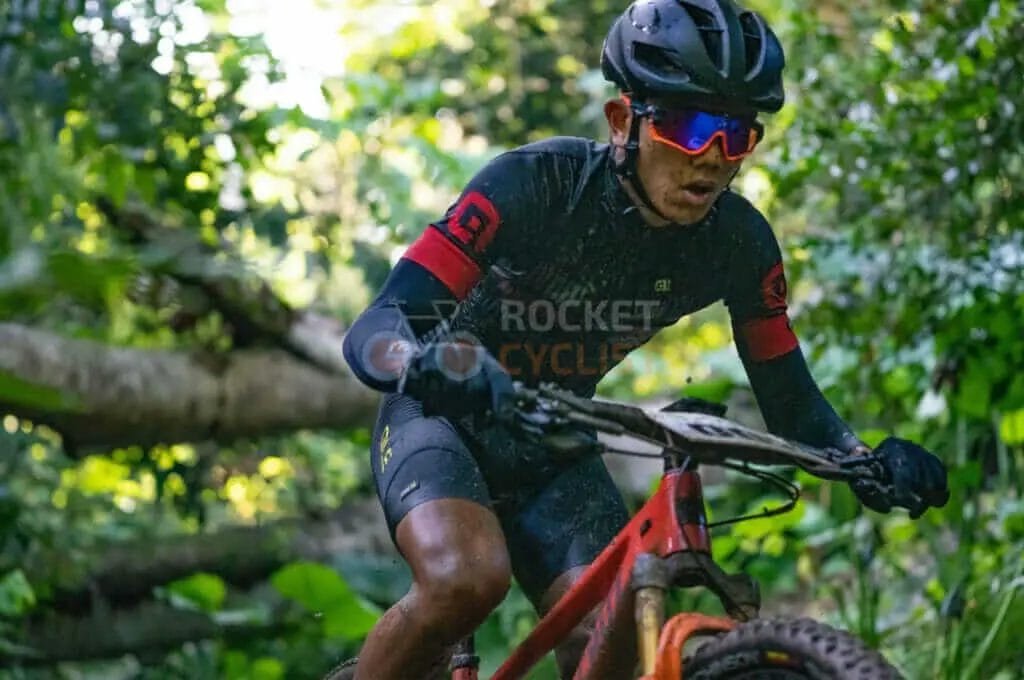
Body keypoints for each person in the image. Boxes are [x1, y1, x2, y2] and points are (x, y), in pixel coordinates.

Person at [340, 1, 950, 678]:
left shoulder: (740, 244)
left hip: (553, 441)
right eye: (690, 127)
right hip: (442, 415)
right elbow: (377, 329)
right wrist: (429, 364)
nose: (714, 158)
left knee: (616, 632)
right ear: (622, 120)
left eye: (737, 135)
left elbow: (791, 401)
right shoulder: (534, 184)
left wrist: (868, 462)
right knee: (465, 580)